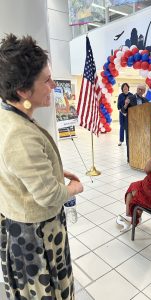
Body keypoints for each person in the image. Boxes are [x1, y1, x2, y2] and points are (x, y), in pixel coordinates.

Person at [0, 34, 83, 299]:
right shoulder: (19, 135)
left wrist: (54, 173)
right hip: (36, 236)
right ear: (24, 91)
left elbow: (20, 172)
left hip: (19, 223)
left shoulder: (10, 116)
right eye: (46, 80)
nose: (53, 86)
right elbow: (48, 196)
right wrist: (74, 188)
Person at [121, 83, 148, 162]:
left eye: (141, 90)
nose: (139, 91)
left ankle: (138, 157)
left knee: (139, 142)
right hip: (130, 125)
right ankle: (130, 159)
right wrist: (126, 104)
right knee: (130, 142)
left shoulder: (146, 101)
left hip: (141, 126)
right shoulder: (130, 98)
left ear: (144, 91)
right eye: (138, 89)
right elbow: (123, 110)